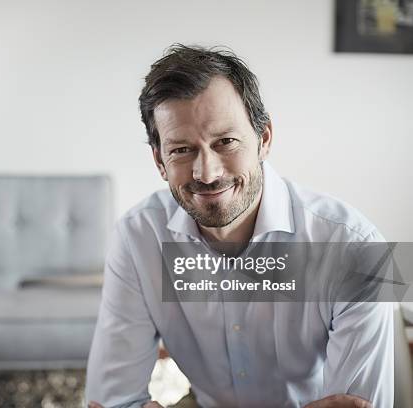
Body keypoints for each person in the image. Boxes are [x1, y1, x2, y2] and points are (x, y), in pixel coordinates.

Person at [84, 44, 393, 408]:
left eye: (225, 142)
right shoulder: (138, 238)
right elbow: (112, 401)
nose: (207, 173)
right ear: (159, 160)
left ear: (264, 139)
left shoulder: (358, 248)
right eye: (182, 150)